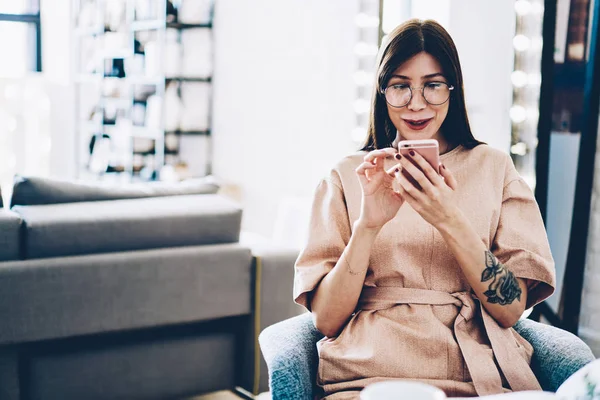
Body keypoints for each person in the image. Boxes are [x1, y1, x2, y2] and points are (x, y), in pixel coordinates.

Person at [293, 19, 556, 399]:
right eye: (400, 86)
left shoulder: (494, 168)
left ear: (453, 88)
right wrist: (368, 226)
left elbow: (511, 308)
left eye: (433, 85)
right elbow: (327, 320)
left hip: (475, 370)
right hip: (371, 373)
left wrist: (450, 219)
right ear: (382, 92)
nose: (417, 104)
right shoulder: (347, 176)